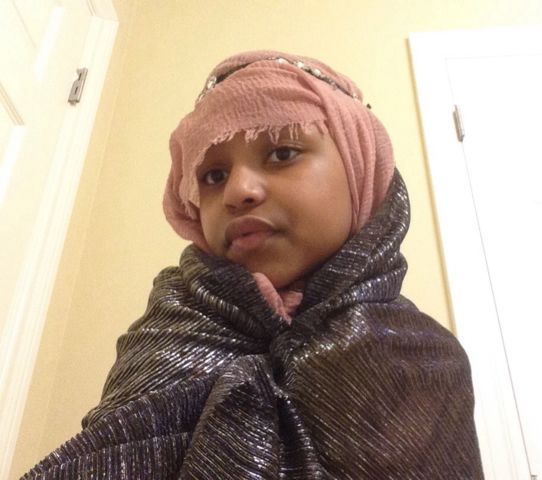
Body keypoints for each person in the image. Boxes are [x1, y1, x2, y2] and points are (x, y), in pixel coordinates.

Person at [21, 51, 484, 479]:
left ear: (361, 168)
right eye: (213, 175)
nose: (237, 190)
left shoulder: (422, 361)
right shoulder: (165, 332)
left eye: (282, 153)